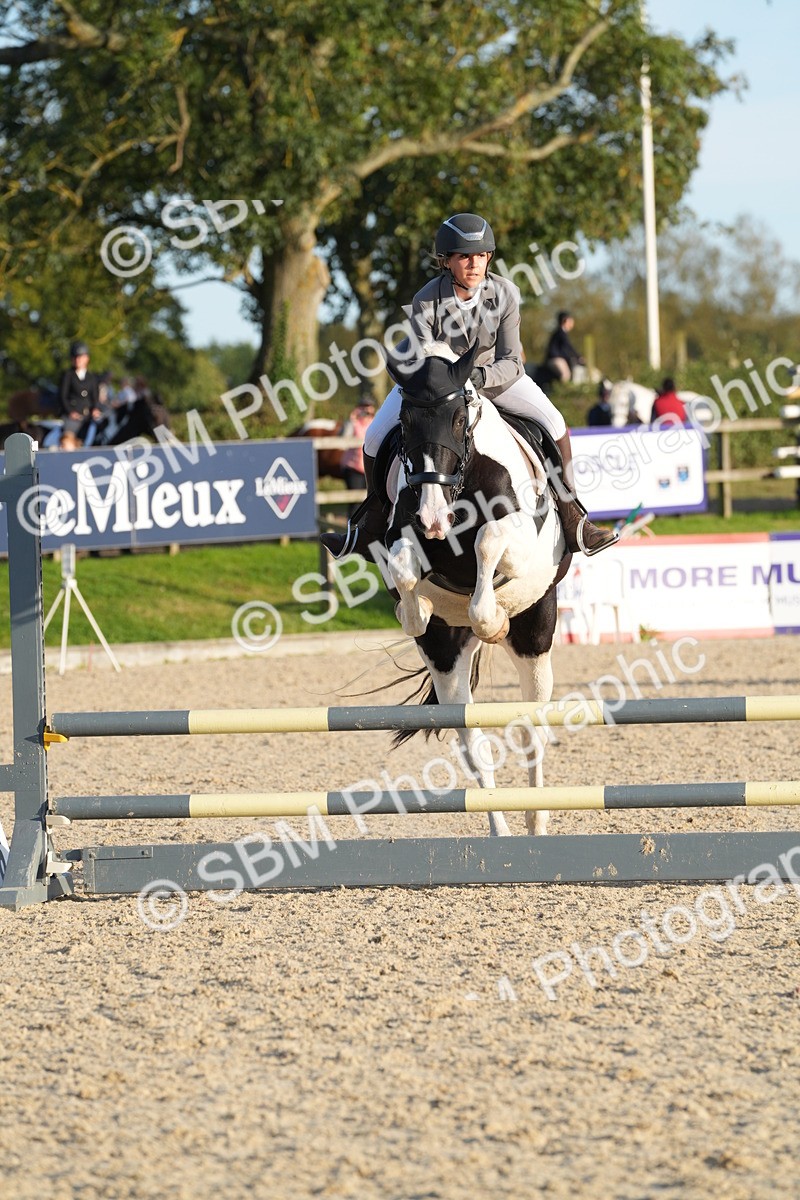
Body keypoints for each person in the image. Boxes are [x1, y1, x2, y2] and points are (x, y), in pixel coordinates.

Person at [322, 212, 617, 560]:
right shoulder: (426, 299)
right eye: (464, 256)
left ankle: (573, 519)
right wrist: (452, 383)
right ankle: (371, 524)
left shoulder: (506, 293)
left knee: (554, 423)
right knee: (373, 437)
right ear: (446, 261)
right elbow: (423, 357)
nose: (473, 264)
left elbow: (511, 360)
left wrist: (478, 378)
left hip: (495, 378)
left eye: (480, 256)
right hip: (435, 386)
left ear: (489, 257)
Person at [58, 341, 101, 445]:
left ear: (87, 358)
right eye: (75, 357)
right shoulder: (67, 375)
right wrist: (70, 412)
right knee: (68, 440)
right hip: (72, 416)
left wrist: (95, 409)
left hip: (88, 416)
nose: (77, 360)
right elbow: (62, 396)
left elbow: (95, 397)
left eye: (80, 357)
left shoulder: (92, 377)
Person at [340, 399, 376, 491]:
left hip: (370, 468)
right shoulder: (352, 424)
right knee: (355, 502)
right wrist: (352, 420)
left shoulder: (375, 423)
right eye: (362, 407)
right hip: (354, 468)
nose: (365, 410)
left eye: (368, 407)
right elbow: (343, 441)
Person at [545, 311, 585, 383]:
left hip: (556, 358)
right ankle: (562, 393)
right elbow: (568, 347)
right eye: (570, 321)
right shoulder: (561, 333)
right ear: (565, 321)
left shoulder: (560, 333)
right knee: (566, 375)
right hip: (555, 359)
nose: (572, 324)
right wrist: (578, 357)